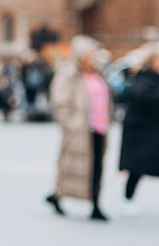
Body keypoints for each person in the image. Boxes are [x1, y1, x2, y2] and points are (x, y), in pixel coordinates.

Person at [46, 35, 111, 221]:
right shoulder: (69, 73)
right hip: (79, 130)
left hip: (99, 128)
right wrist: (70, 124)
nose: (94, 56)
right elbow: (60, 101)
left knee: (96, 166)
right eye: (91, 52)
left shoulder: (97, 73)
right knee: (71, 166)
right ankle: (58, 195)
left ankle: (95, 203)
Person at [118, 42, 159, 216]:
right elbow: (147, 99)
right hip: (142, 135)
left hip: (153, 135)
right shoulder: (143, 79)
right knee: (136, 169)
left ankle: (127, 199)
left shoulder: (154, 79)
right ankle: (127, 199)